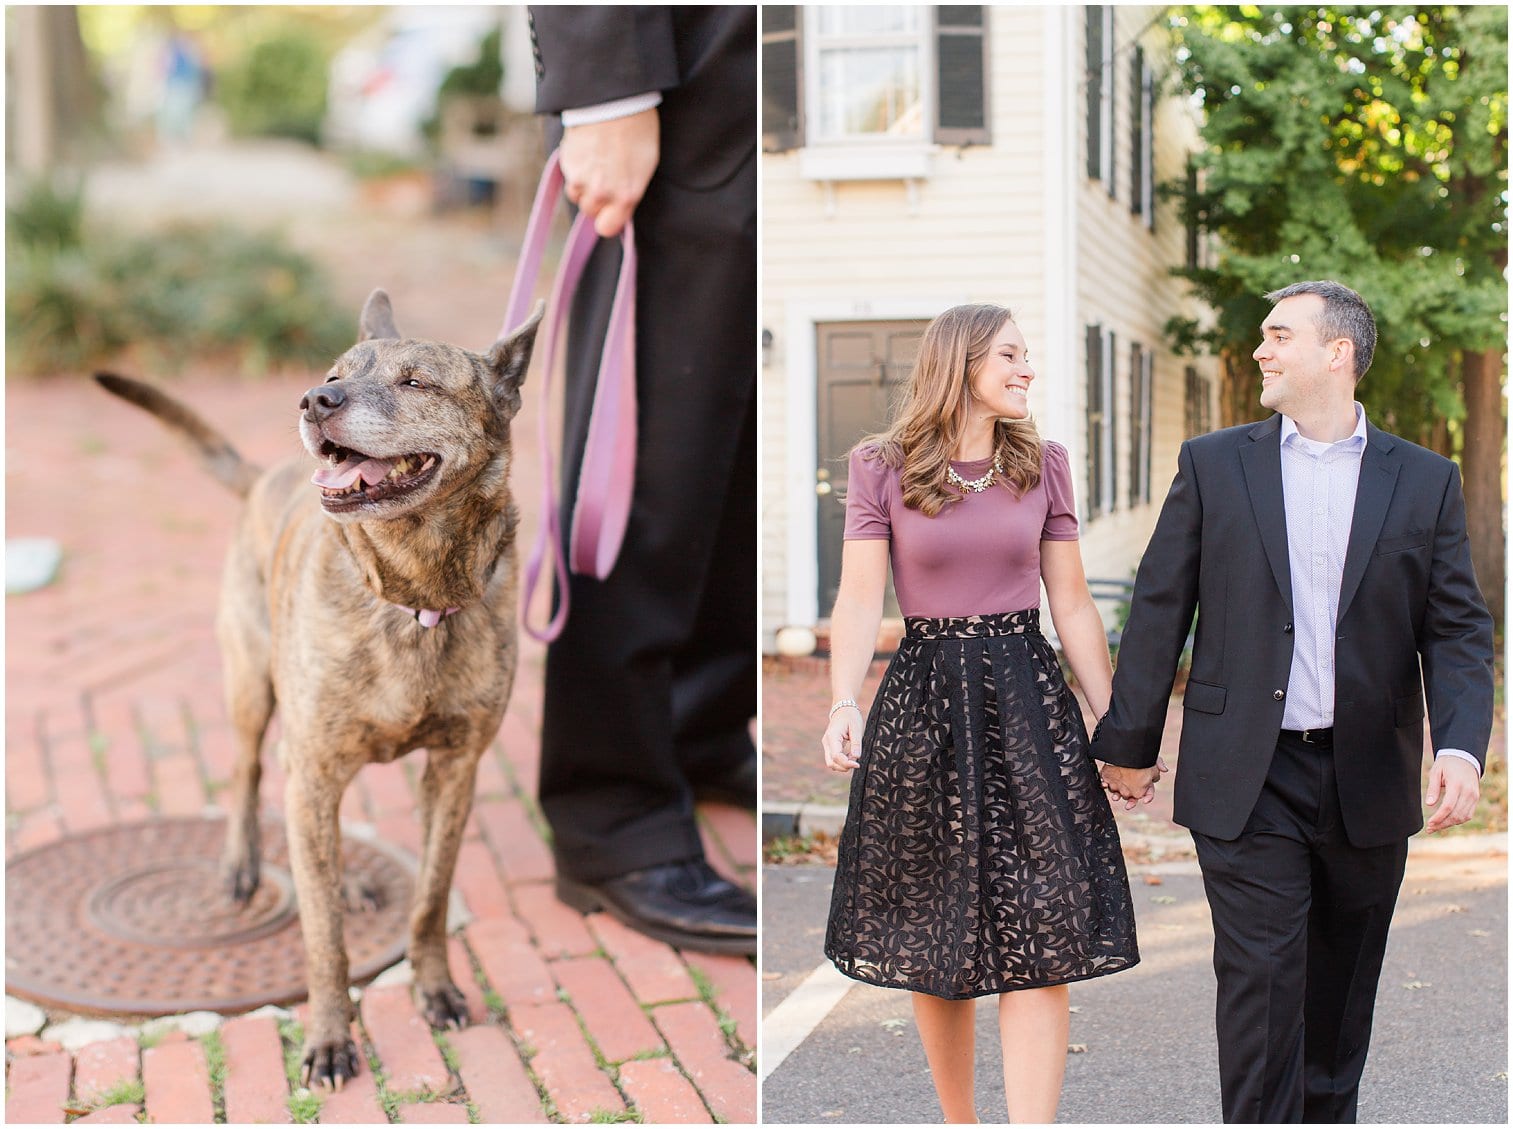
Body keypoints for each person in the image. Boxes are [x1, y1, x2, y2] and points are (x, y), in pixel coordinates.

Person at [1094, 280, 1493, 1123]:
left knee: (1340, 997)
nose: (1259, 351)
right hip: (1247, 771)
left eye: (1278, 335)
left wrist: (1458, 746)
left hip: (1367, 777)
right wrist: (1126, 740)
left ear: (1336, 352)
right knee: (1261, 988)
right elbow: (1161, 604)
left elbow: (1456, 628)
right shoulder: (1213, 463)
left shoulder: (1423, 480)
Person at [821, 303, 1141, 1124]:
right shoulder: (880, 465)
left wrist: (1117, 730)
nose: (1026, 368)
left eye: (1026, 355)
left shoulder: (1044, 464)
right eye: (1010, 354)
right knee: (936, 930)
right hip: (922, 704)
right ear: (960, 363)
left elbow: (1070, 605)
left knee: (1042, 922)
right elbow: (860, 599)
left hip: (1025, 699)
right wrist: (842, 700)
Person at [527, 8, 757, 954]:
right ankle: (609, 809)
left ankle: (696, 723)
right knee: (643, 459)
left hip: (762, 91)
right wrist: (602, 88)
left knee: (729, 460)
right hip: (679, 83)